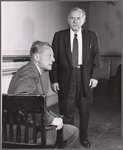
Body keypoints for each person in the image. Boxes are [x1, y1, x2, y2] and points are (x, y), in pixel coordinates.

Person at [7, 40, 81, 148]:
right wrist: (51, 120)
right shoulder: (30, 72)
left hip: (19, 125)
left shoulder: (28, 70)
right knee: (73, 132)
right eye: (49, 56)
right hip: (25, 131)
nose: (53, 59)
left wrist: (53, 117)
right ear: (36, 57)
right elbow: (23, 99)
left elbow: (35, 103)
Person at [49, 7, 100, 148]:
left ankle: (83, 138)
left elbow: (97, 59)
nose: (75, 21)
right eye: (72, 18)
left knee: (84, 112)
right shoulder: (59, 36)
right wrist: (54, 80)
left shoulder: (92, 35)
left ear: (83, 20)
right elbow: (54, 61)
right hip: (66, 79)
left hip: (85, 78)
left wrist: (95, 77)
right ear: (68, 19)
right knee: (66, 111)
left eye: (78, 18)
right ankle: (68, 138)